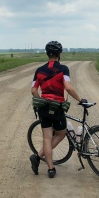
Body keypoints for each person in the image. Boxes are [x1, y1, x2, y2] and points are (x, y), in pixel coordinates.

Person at [30, 41, 86, 179]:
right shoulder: (63, 69)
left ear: (47, 54)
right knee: (61, 134)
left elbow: (33, 90)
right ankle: (37, 157)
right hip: (57, 107)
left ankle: (50, 169)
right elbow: (68, 87)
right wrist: (80, 100)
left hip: (44, 108)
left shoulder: (39, 70)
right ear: (59, 54)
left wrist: (41, 101)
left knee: (47, 138)